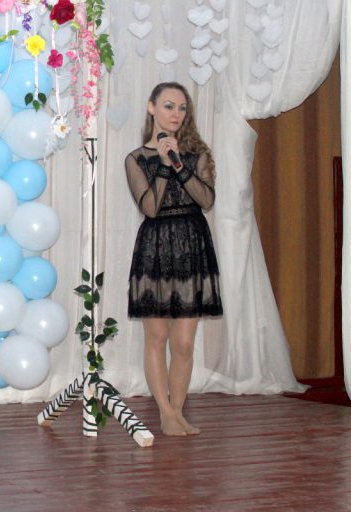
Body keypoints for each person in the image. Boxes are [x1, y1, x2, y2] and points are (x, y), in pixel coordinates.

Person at [125, 82, 223, 437]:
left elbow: (207, 200)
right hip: (156, 247)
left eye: (182, 108)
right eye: (168, 106)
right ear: (151, 108)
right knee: (157, 337)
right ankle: (165, 413)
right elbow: (150, 208)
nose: (176, 114)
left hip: (192, 245)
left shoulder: (198, 155)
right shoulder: (136, 159)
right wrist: (165, 165)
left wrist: (181, 165)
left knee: (184, 342)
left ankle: (178, 411)